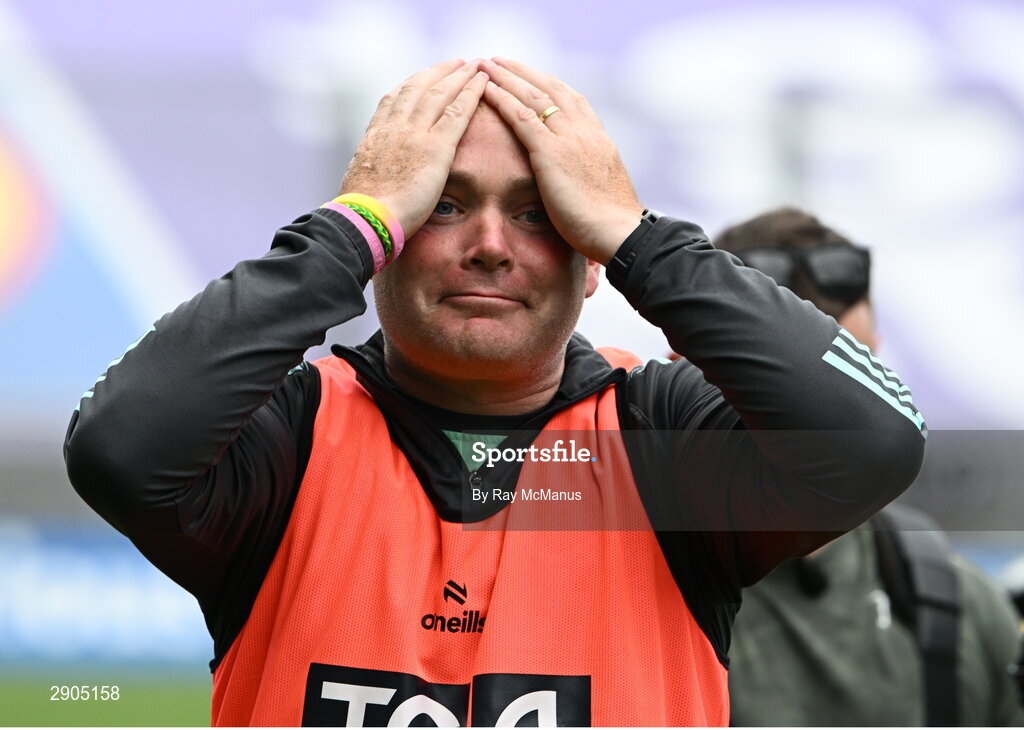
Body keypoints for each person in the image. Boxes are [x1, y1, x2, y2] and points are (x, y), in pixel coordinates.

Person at [63, 59, 926, 727]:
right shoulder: (291, 436)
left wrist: (639, 238)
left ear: (590, 257)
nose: (488, 244)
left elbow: (878, 437)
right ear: (384, 243)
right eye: (441, 205)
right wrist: (348, 225)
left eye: (538, 211)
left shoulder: (662, 441)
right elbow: (119, 447)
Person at [718, 207, 1024, 726]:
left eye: (855, 383)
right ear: (687, 368)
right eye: (777, 383)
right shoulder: (629, 587)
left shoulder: (954, 602)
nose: (818, 416)